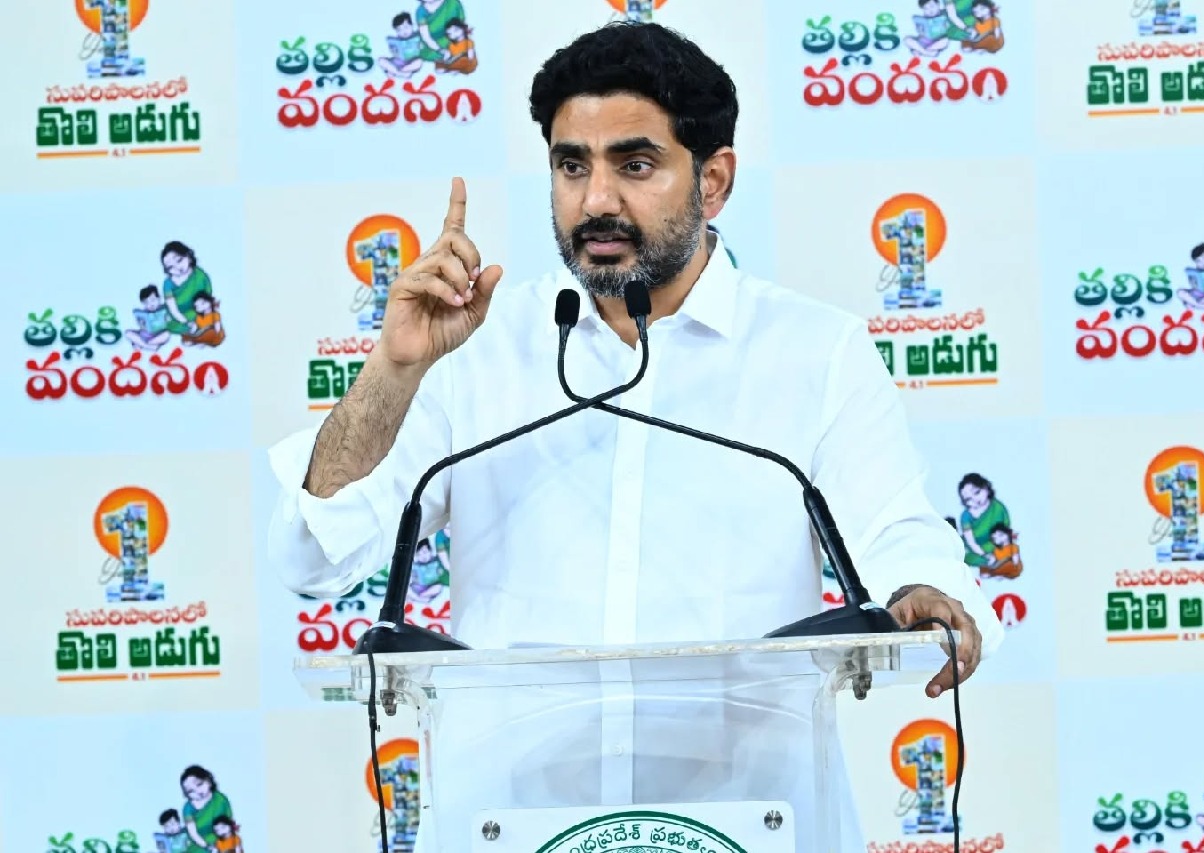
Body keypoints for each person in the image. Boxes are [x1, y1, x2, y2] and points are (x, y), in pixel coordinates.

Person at [267, 20, 1002, 850]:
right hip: (510, 824)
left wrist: (924, 590)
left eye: (635, 164)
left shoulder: (814, 351)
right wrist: (393, 370)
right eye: (571, 165)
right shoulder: (476, 349)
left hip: (749, 820)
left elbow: (897, 530)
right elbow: (313, 557)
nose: (596, 201)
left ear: (713, 180)